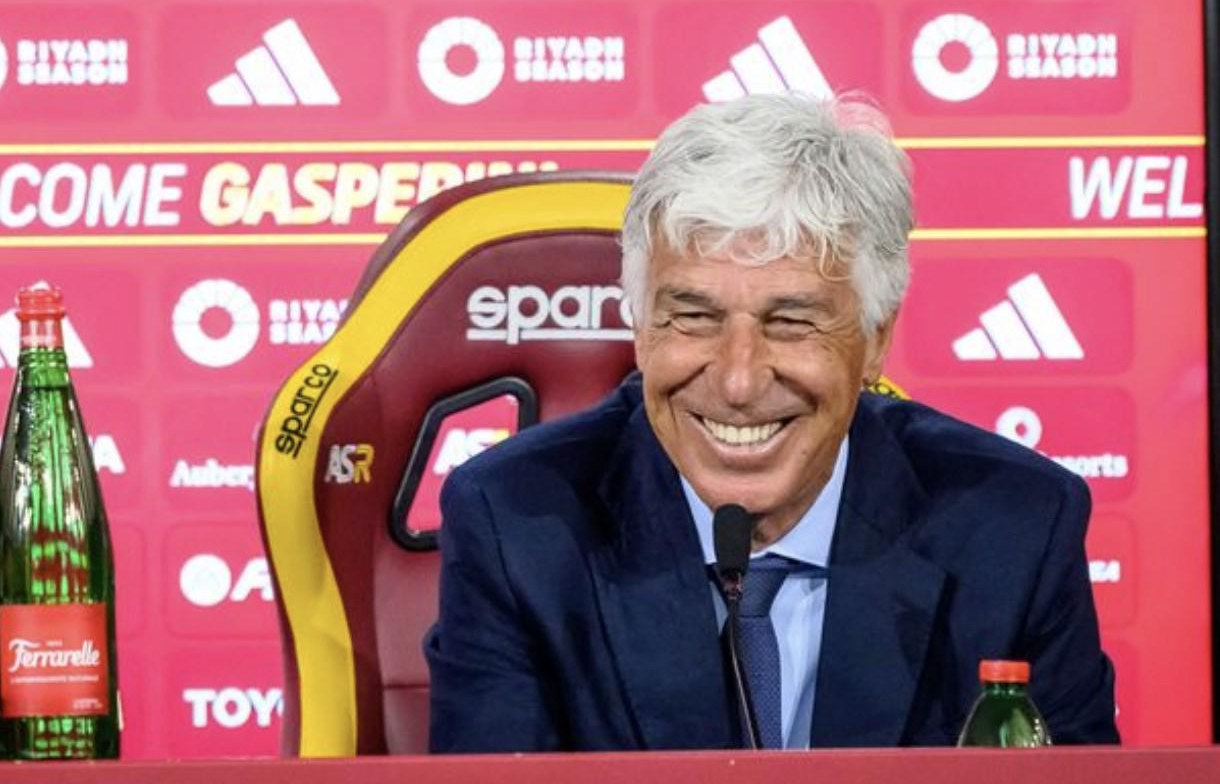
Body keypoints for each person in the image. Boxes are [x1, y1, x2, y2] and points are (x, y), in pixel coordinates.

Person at [424, 91, 1118, 751]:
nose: (738, 380)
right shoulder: (517, 526)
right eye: (693, 317)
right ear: (640, 328)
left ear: (875, 338)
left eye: (791, 322)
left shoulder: (1013, 529)